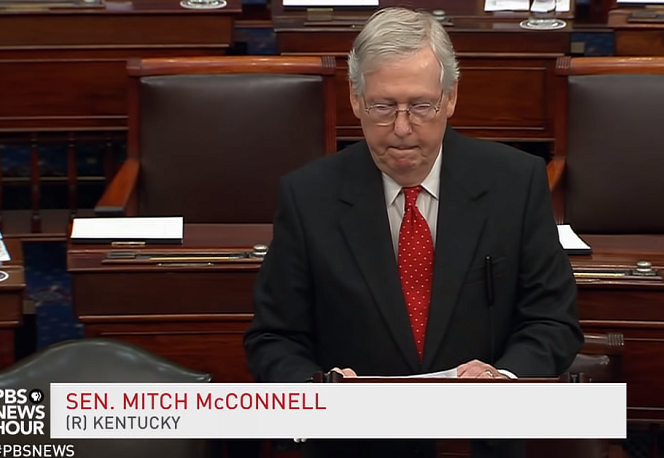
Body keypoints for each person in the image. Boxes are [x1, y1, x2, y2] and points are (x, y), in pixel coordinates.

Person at [243, 6, 583, 458]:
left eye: (421, 106)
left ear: (450, 97)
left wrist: (504, 380)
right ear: (355, 99)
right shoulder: (308, 196)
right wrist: (316, 390)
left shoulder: (515, 183)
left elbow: (552, 320)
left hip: (478, 444)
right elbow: (274, 337)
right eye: (383, 106)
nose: (402, 130)